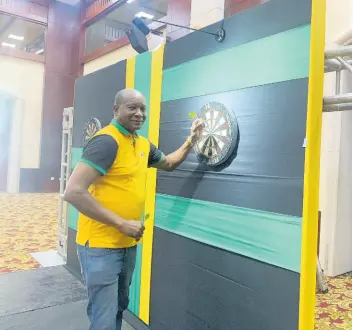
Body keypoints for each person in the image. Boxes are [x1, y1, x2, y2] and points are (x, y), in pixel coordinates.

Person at [64, 88, 205, 330]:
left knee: (118, 309)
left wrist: (192, 139)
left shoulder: (141, 144)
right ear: (116, 109)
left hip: (127, 245)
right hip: (100, 247)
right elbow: (73, 192)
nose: (139, 114)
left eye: (143, 109)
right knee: (104, 319)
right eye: (132, 108)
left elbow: (169, 163)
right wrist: (121, 223)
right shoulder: (106, 142)